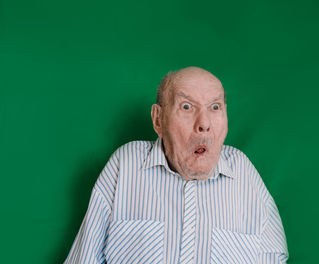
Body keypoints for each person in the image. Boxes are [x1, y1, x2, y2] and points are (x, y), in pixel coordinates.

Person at [64, 67, 289, 264]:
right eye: (187, 107)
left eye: (215, 107)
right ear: (158, 120)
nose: (204, 124)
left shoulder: (244, 174)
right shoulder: (126, 165)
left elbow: (272, 256)